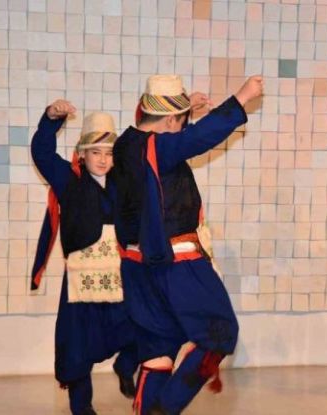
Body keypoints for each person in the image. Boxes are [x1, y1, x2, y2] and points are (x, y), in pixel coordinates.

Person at [112, 74, 264, 415]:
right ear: (169, 121)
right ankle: (165, 408)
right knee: (219, 333)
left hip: (137, 267)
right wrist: (241, 98)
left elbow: (166, 134)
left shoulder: (125, 144)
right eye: (178, 121)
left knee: (158, 349)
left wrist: (184, 112)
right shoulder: (162, 148)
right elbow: (198, 138)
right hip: (176, 264)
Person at [30, 102, 138, 415]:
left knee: (141, 324)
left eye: (109, 153)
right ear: (82, 154)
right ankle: (82, 407)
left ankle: (125, 366)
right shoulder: (69, 180)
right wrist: (51, 118)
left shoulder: (122, 183)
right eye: (95, 152)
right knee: (78, 344)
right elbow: (42, 153)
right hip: (80, 280)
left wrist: (180, 120)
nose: (103, 159)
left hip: (118, 275)